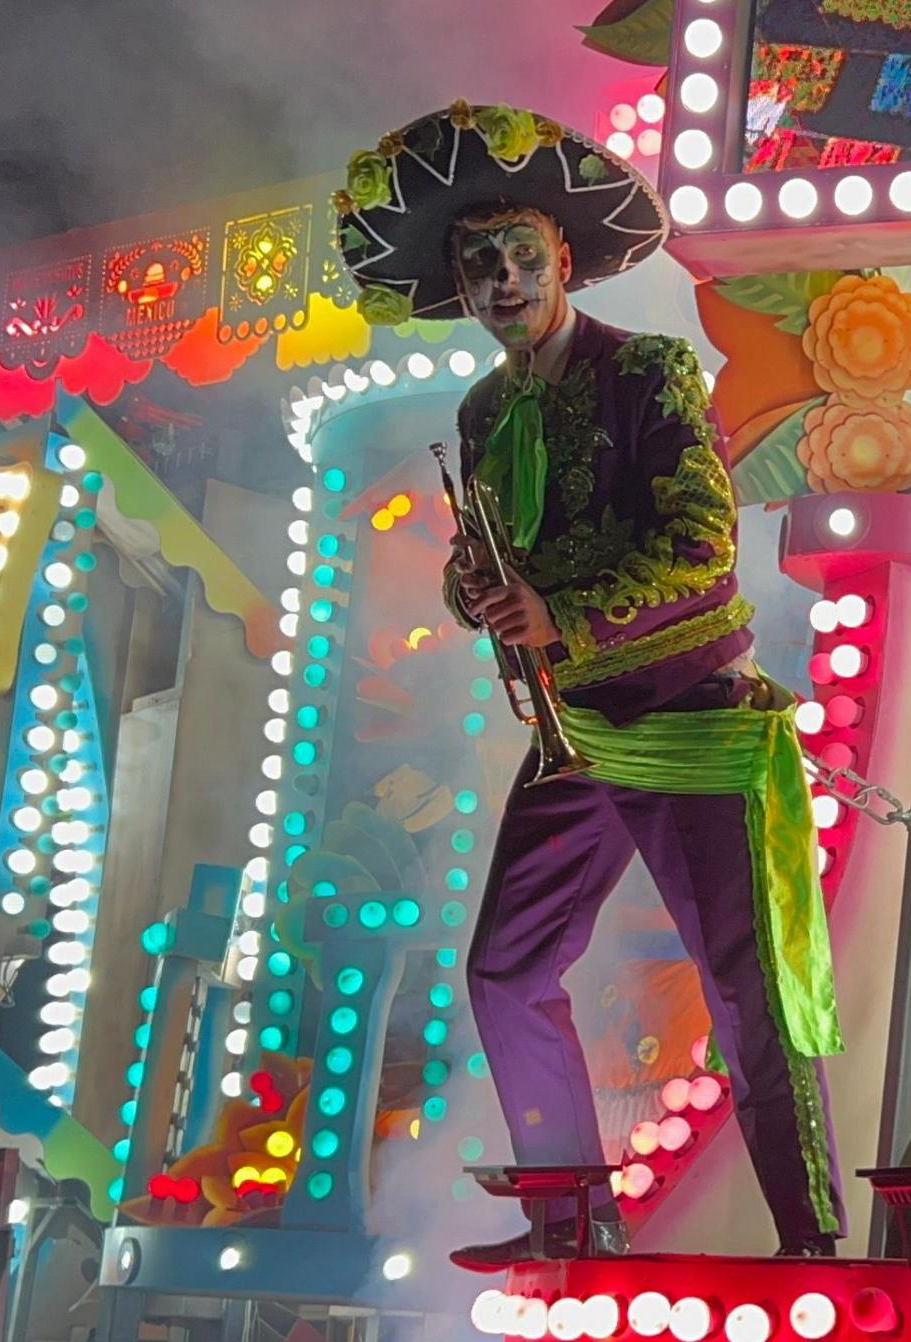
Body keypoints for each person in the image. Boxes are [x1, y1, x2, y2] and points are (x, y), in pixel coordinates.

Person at [334, 101, 847, 1269]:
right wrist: (480, 594)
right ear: (462, 288)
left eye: (519, 257)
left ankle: (812, 1243)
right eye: (478, 267)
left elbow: (704, 551)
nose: (501, 280)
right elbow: (499, 568)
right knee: (505, 967)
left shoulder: (650, 370)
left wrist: (559, 610)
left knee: (746, 988)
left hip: (693, 716)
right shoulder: (482, 409)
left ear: (564, 261)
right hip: (577, 727)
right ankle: (571, 1218)